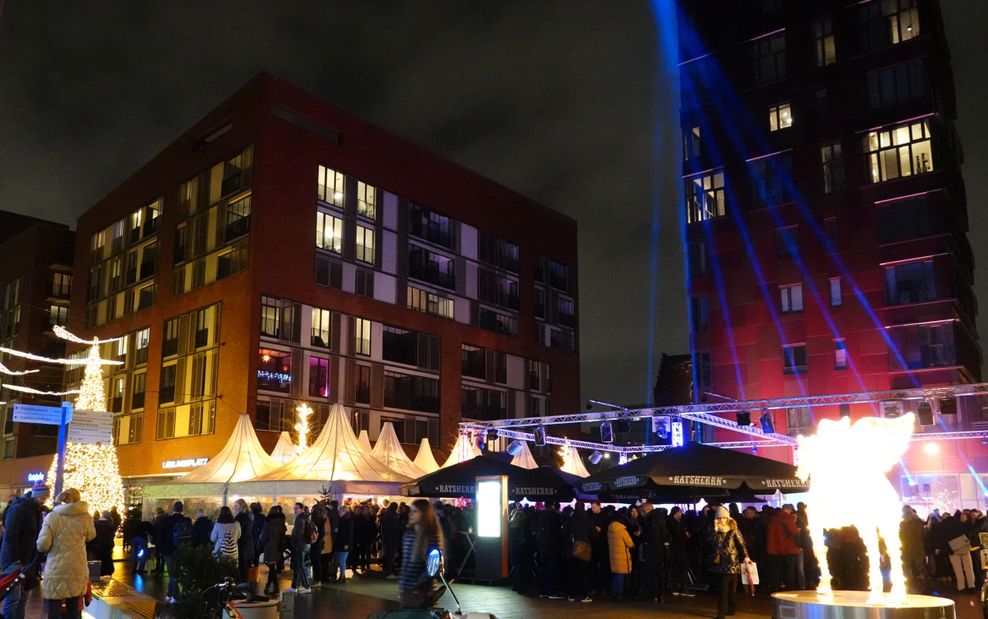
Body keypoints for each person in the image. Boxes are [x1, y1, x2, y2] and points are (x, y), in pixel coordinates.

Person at [37, 488, 97, 619]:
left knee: (54, 609)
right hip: (77, 568)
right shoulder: (86, 517)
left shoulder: (52, 517)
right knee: (74, 609)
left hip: (56, 569)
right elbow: (91, 536)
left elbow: (42, 545)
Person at [1, 482, 48, 619]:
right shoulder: (19, 508)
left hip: (27, 560)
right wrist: (16, 560)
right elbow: (10, 536)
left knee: (22, 598)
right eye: (42, 496)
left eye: (45, 497)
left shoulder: (36, 510)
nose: (44, 499)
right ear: (35, 495)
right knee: (14, 599)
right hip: (14, 560)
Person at [398, 498, 445, 608]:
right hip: (407, 589)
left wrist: (416, 584)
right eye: (411, 511)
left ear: (424, 514)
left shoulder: (430, 537)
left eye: (415, 511)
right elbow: (406, 563)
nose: (411, 514)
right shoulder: (408, 535)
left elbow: (432, 568)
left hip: (422, 592)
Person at [706, 505, 750, 619]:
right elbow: (710, 543)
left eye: (724, 518)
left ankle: (727, 610)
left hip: (732, 562)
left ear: (728, 518)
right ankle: (725, 611)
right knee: (724, 588)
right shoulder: (713, 530)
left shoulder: (733, 529)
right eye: (719, 518)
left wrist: (746, 556)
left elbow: (741, 544)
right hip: (719, 563)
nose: (721, 520)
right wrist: (715, 530)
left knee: (729, 588)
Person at [160, 501, 191, 603]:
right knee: (175, 572)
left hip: (169, 550)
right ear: (182, 509)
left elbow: (162, 536)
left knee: (172, 573)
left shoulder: (167, 520)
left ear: (173, 509)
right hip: (182, 549)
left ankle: (175, 596)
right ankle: (169, 594)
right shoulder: (186, 520)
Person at [765, 504, 800, 591]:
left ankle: (775, 588)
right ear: (788, 509)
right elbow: (794, 533)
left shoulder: (773, 519)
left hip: (774, 549)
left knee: (775, 570)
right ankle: (789, 589)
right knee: (789, 570)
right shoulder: (788, 518)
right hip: (789, 548)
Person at [535, 501, 565, 599]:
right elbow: (557, 531)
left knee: (543, 568)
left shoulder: (539, 515)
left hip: (542, 545)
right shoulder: (555, 515)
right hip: (552, 545)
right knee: (552, 569)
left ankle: (542, 591)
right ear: (552, 505)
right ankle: (552, 591)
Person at [564, 502, 593, 602]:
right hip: (583, 549)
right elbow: (594, 534)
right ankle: (584, 595)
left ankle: (571, 594)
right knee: (583, 572)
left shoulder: (570, 519)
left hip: (571, 548)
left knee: (571, 572)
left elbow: (564, 534)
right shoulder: (588, 519)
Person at [260, 505, 287, 595]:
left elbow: (263, 536)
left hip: (270, 546)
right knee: (272, 567)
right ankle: (273, 587)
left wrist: (263, 543)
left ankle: (272, 587)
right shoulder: (282, 523)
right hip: (278, 546)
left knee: (271, 567)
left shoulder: (268, 523)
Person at [607, 512, 634, 600]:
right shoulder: (622, 530)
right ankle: (619, 594)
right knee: (621, 575)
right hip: (622, 555)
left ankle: (614, 592)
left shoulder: (610, 529)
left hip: (613, 555)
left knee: (616, 574)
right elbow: (630, 543)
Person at [667, 506, 691, 594]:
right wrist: (685, 534)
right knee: (680, 568)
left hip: (676, 549)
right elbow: (678, 534)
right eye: (680, 512)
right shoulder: (673, 523)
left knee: (676, 569)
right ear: (676, 512)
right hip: (677, 548)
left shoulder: (675, 522)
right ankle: (682, 587)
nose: (681, 514)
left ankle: (676, 587)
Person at [290, 502, 312, 593]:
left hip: (300, 544)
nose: (294, 510)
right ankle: (294, 586)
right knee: (298, 565)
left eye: (296, 508)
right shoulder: (306, 517)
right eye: (294, 508)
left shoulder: (300, 518)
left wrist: (293, 541)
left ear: (301, 509)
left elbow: (298, 533)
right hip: (305, 544)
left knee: (300, 565)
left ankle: (306, 586)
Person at [233, 499, 256, 584]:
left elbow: (238, 533)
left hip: (242, 545)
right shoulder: (249, 516)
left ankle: (241, 587)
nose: (234, 508)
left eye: (236, 506)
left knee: (241, 568)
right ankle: (245, 586)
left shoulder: (240, 518)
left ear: (241, 506)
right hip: (249, 545)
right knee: (245, 568)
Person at [381, 502, 402, 579]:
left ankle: (387, 571)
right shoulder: (392, 515)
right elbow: (395, 527)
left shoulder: (386, 514)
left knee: (388, 555)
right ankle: (388, 573)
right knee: (391, 555)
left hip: (387, 538)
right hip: (392, 538)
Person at [333, 505, 353, 584]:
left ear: (345, 512)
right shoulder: (340, 520)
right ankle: (340, 576)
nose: (339, 512)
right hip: (339, 543)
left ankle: (342, 576)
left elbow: (350, 533)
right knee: (338, 561)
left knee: (342, 561)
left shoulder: (349, 521)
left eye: (341, 511)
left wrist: (347, 543)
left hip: (344, 544)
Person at [92, 511, 117, 576]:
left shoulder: (96, 524)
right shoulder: (110, 525)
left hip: (98, 546)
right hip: (107, 547)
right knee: (107, 561)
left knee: (98, 561)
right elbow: (111, 537)